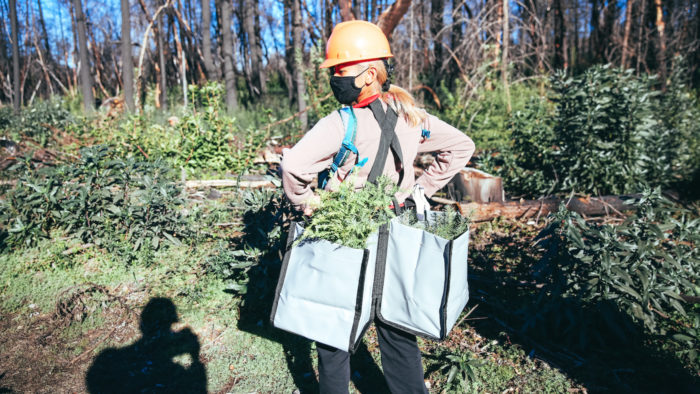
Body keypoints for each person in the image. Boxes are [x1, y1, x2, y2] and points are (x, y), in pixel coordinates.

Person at [280, 20, 475, 394]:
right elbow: (461, 146)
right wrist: (422, 189)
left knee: (334, 330)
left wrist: (308, 202)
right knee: (399, 329)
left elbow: (292, 165)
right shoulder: (412, 116)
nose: (335, 77)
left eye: (341, 69)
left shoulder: (340, 123)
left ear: (370, 74)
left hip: (346, 237)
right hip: (397, 237)